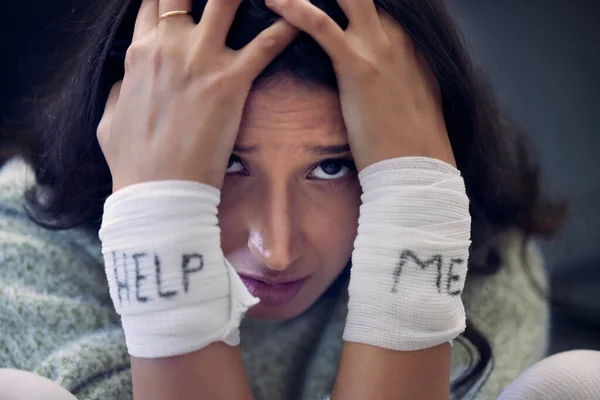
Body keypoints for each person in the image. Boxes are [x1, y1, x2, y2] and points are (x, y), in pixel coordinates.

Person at [1, 0, 599, 399]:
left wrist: (417, 199)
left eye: (332, 166)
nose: (277, 248)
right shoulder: (21, 247)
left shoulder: (471, 242)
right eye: (228, 162)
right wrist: (158, 210)